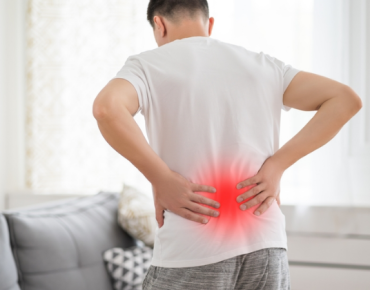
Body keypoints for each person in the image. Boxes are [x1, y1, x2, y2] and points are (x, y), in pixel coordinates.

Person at [92, 0, 362, 289]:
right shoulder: (262, 64)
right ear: (209, 24)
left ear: (159, 25)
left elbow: (107, 109)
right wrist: (277, 165)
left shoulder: (147, 65)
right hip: (266, 245)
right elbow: (345, 99)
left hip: (193, 246)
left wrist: (160, 177)